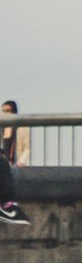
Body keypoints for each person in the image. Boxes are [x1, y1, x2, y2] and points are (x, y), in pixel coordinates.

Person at [0, 100, 27, 233]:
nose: (4, 114)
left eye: (7, 111)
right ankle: (7, 206)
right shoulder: (1, 128)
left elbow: (26, 148)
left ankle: (8, 206)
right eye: (3, 111)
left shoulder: (20, 128)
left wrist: (21, 161)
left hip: (14, 163)